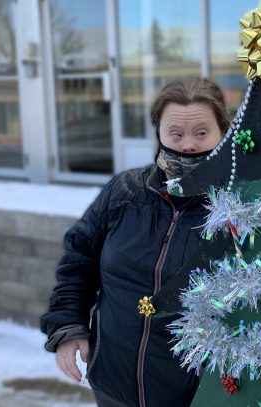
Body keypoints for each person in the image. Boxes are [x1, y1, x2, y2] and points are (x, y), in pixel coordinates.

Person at [41, 77, 230, 407]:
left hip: (195, 396)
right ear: (159, 133)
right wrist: (69, 326)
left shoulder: (239, 208)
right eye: (176, 133)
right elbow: (78, 260)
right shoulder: (124, 193)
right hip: (113, 386)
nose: (188, 145)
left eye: (201, 133)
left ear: (222, 133)